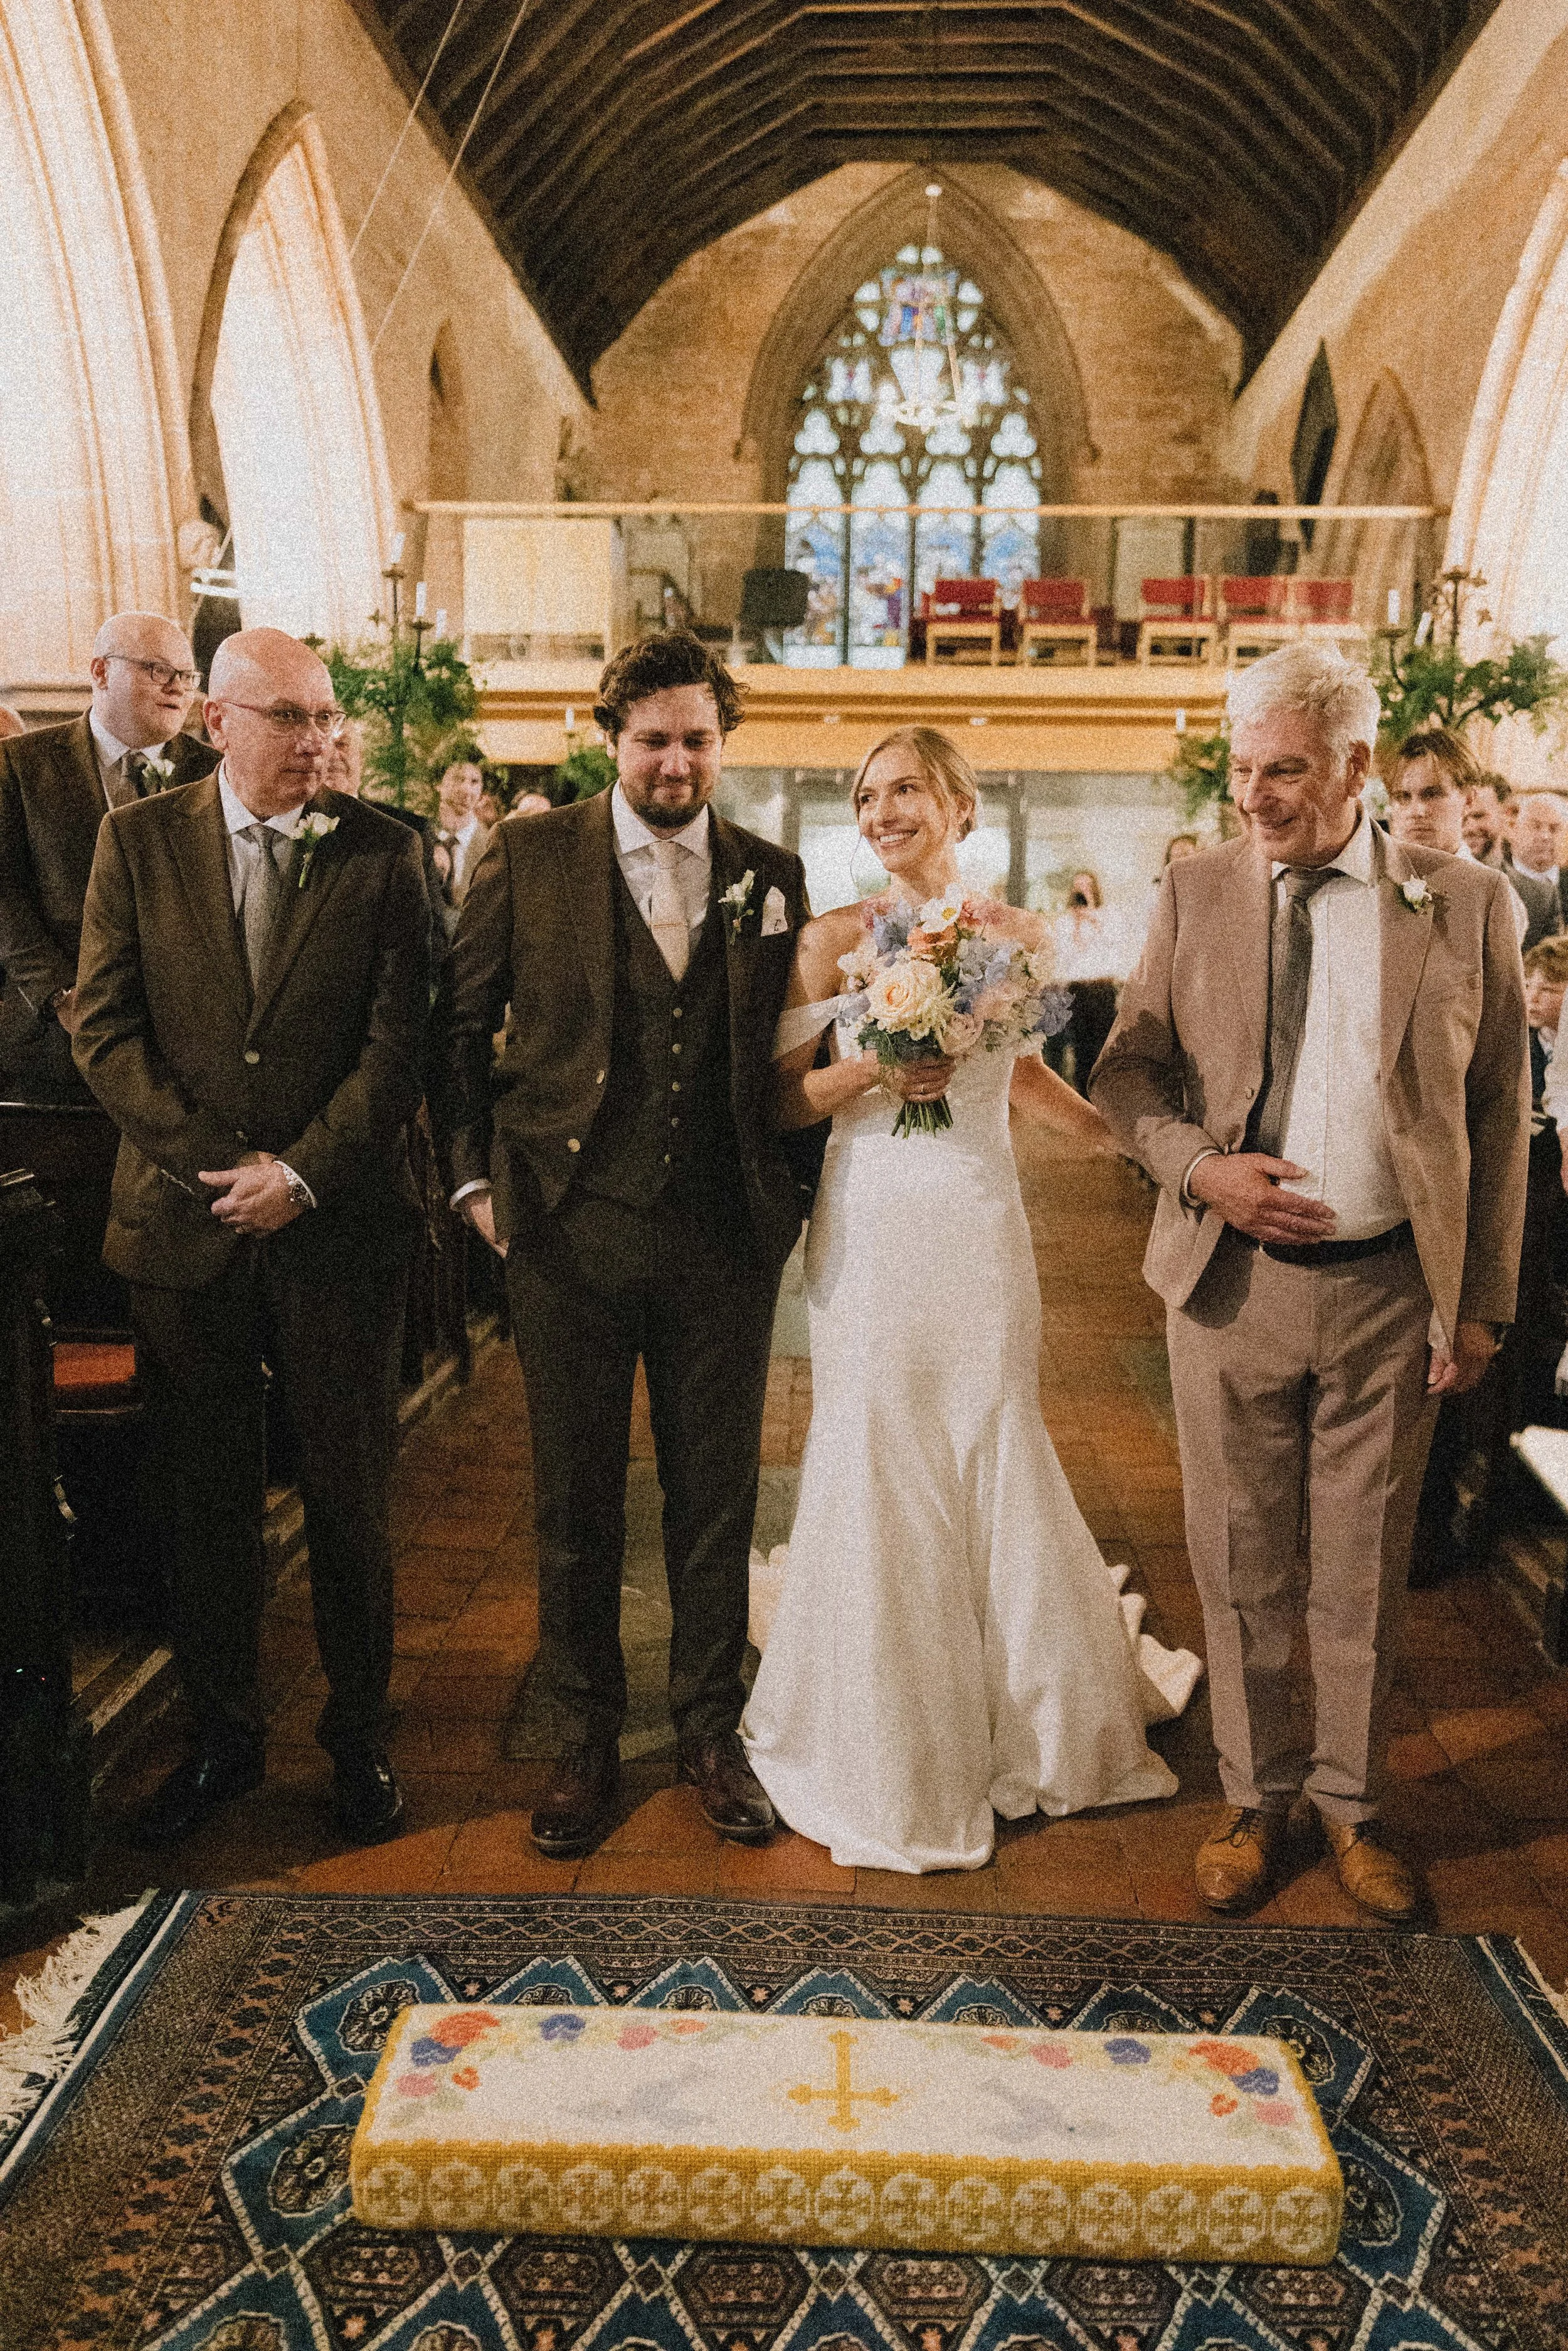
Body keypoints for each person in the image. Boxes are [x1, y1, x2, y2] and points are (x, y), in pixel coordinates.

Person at [1093, 642, 1528, 1923]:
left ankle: (1350, 1805)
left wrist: (1481, 1298)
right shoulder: (1195, 891)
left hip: (1394, 1285)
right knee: (1235, 1557)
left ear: (1353, 765)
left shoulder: (1460, 901)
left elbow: (1499, 1110)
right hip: (1231, 1282)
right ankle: (1252, 1794)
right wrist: (1201, 1172)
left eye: (1279, 767)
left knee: (1359, 1563)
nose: (1252, 793)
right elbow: (1127, 1077)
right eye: (1240, 765)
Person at [740, 726, 1200, 1873]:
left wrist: (1124, 1144)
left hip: (980, 1218)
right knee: (882, 1432)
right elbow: (786, 1101)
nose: (884, 810)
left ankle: (1030, 1716)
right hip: (876, 1212)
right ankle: (889, 1725)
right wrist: (874, 1069)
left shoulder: (1016, 940)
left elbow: (1027, 1075)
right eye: (866, 796)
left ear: (957, 805)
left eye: (905, 790)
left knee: (994, 1420)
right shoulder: (830, 941)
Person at [432, 632, 809, 1860]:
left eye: (696, 737)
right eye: (652, 738)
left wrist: (785, 1203)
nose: (674, 760)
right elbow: (460, 1022)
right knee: (576, 1499)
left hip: (718, 1242)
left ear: (720, 742)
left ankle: (710, 1726)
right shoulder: (529, 853)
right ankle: (585, 1731)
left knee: (714, 1500)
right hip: (567, 1232)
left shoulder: (770, 872)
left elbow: (786, 1058)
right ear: (612, 740)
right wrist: (475, 1178)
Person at [72, 627, 430, 1845]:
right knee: (205, 1497)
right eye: (288, 717)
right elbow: (105, 1031)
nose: (318, 741)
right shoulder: (139, 842)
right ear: (216, 724)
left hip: (337, 1229)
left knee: (349, 1495)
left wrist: (304, 1173)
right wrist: (214, 1166)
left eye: (327, 717)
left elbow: (399, 1049)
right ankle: (224, 1734)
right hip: (185, 1222)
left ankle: (359, 1738)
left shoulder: (385, 850)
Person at [0, 612, 215, 1098]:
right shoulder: (22, 764)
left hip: (184, 1047)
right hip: (55, 1041)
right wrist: (60, 993)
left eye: (187, 676)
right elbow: (5, 892)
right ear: (100, 672)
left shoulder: (214, 773)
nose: (178, 688)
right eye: (157, 670)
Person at [1045, 869, 1125, 1096]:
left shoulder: (1109, 916)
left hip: (1102, 988)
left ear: (1095, 890)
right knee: (1081, 1048)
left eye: (1087, 887)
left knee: (1104, 1048)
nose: (1082, 891)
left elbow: (1114, 951)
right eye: (1078, 887)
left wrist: (1093, 919)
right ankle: (1084, 1098)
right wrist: (1077, 927)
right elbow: (1063, 959)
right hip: (1077, 990)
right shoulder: (1064, 923)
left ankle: (1106, 1098)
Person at [1463, 768, 1560, 949]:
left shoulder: (1540, 899)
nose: (1469, 827)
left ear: (1505, 816)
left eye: (1479, 816)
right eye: (1463, 817)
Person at [433, 758, 494, 915]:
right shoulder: (421, 838)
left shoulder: (492, 845)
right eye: (458, 779)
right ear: (438, 785)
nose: (467, 790)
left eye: (475, 782)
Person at [1509, 791, 1567, 928]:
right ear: (1515, 830)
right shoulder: (1499, 877)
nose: (1545, 837)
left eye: (1554, 829)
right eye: (1535, 827)